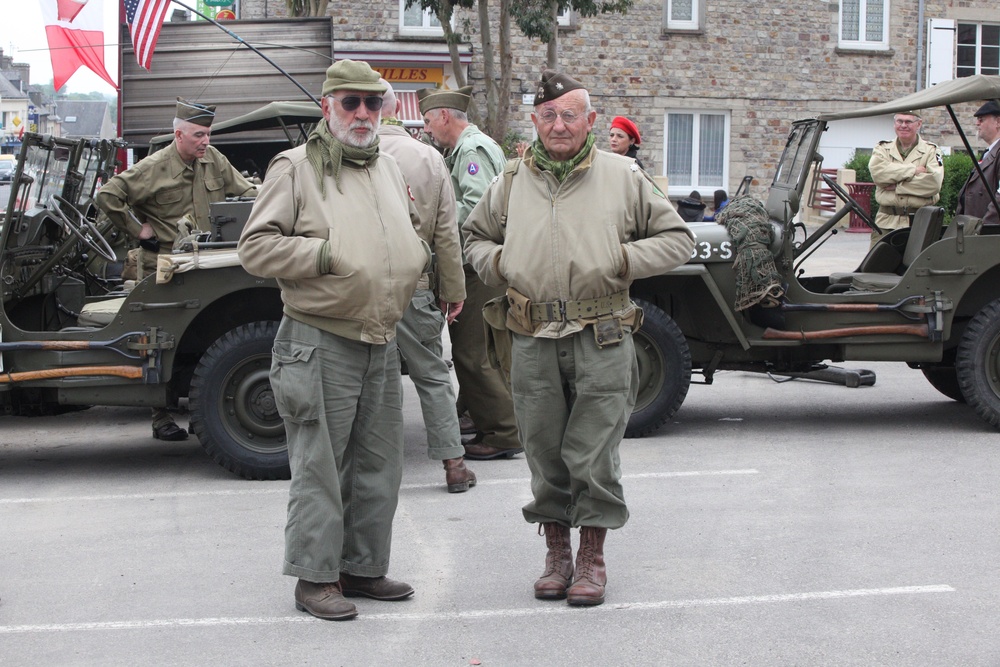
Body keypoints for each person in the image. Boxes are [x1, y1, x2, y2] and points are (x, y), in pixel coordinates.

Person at [463, 70, 695, 607]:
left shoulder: (623, 176)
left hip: (603, 334)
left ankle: (592, 558)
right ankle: (556, 556)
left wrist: (621, 259)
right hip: (532, 334)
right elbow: (474, 235)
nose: (559, 124)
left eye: (570, 115)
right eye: (549, 115)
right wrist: (500, 263)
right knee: (544, 450)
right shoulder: (512, 180)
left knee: (593, 453)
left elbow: (677, 238)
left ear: (590, 121)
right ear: (535, 121)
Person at [237, 60, 430, 621]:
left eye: (374, 104)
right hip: (320, 339)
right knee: (320, 466)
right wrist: (321, 254)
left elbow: (405, 235)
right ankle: (315, 578)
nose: (364, 114)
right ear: (328, 107)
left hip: (380, 336)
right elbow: (257, 247)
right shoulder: (295, 168)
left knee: (379, 465)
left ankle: (363, 568)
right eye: (351, 103)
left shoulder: (386, 168)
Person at [95, 97, 257, 442]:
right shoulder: (153, 168)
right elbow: (108, 196)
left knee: (205, 335)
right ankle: (160, 417)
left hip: (205, 263)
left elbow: (247, 192)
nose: (205, 141)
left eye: (208, 134)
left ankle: (202, 415)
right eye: (198, 135)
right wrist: (139, 230)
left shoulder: (213, 160)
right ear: (179, 135)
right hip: (165, 265)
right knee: (156, 341)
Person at [377, 80, 476, 493]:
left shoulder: (343, 152)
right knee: (433, 375)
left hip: (358, 287)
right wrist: (453, 291)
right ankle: (454, 464)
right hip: (415, 284)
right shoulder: (428, 157)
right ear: (395, 107)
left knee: (372, 380)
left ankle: (376, 471)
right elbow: (446, 237)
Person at [418, 85, 522, 461]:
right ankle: (479, 417)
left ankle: (504, 433)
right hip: (486, 264)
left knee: (473, 352)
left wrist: (434, 223)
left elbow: (476, 207)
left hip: (477, 267)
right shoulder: (476, 147)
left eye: (429, 121)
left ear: (445, 116)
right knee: (485, 350)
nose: (428, 129)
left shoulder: (471, 151)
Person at [868, 111, 944, 247]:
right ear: (894, 124)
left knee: (918, 267)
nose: (903, 125)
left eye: (908, 122)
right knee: (877, 266)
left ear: (919, 124)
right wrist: (913, 170)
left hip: (920, 223)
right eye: (899, 121)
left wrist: (897, 186)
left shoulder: (931, 151)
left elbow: (933, 183)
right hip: (886, 222)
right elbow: (878, 174)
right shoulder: (882, 148)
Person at [956, 100, 1000, 227]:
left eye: (981, 119)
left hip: (988, 235)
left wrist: (985, 227)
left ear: (998, 122)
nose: (977, 123)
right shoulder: (990, 152)